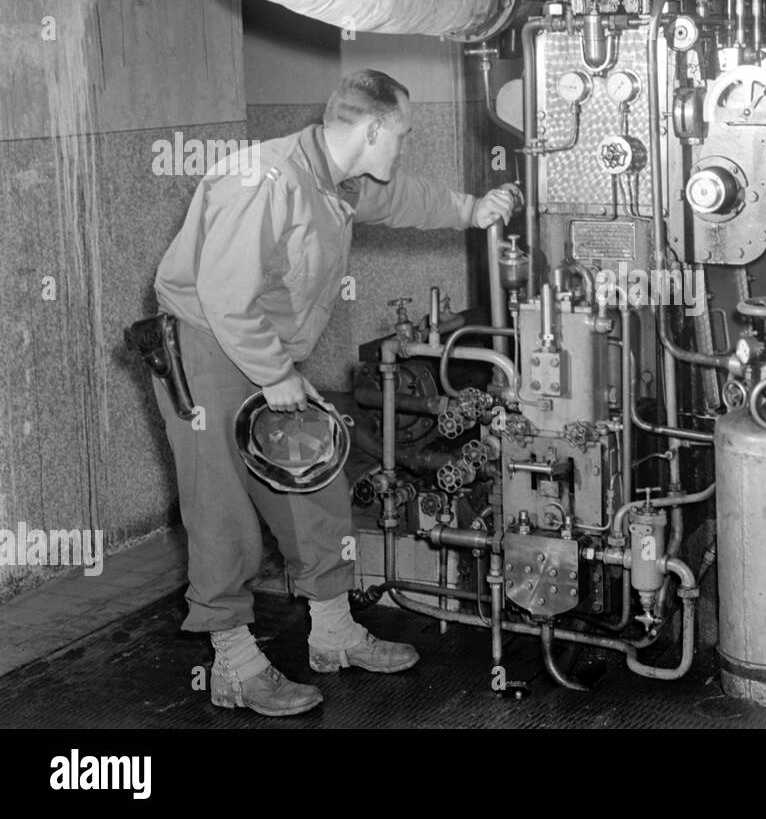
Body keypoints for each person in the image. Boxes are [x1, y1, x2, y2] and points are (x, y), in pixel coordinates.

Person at [150, 69, 518, 716]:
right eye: (399, 134)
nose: (402, 146)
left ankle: (333, 633)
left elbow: (400, 198)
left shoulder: (338, 180)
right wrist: (276, 373)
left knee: (315, 482)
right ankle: (234, 663)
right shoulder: (263, 181)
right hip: (207, 342)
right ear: (372, 128)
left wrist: (472, 210)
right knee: (222, 507)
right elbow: (225, 298)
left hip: (260, 347)